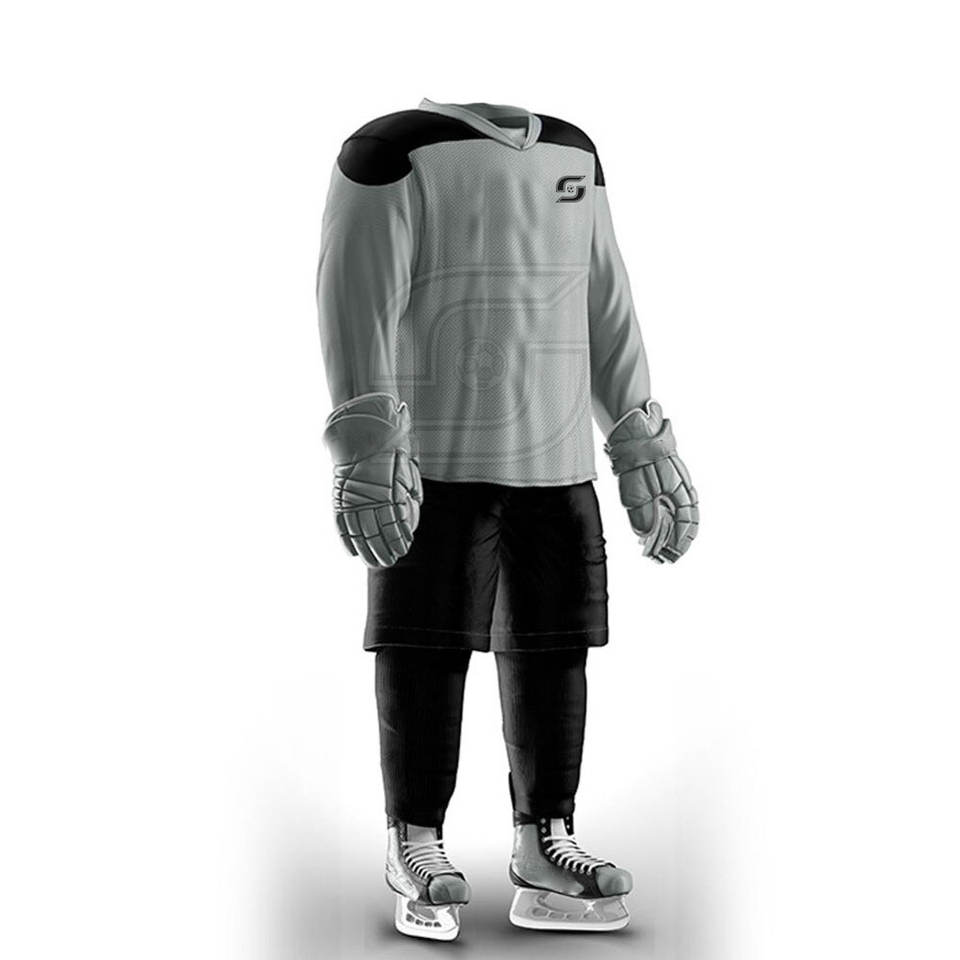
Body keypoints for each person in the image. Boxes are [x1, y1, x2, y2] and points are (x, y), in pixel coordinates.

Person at [316, 99, 698, 940]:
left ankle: (544, 839)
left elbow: (603, 297)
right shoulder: (391, 153)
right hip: (435, 463)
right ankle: (414, 840)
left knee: (556, 649)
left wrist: (638, 432)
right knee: (427, 646)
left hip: (559, 464)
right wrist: (369, 435)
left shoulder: (574, 154)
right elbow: (356, 294)